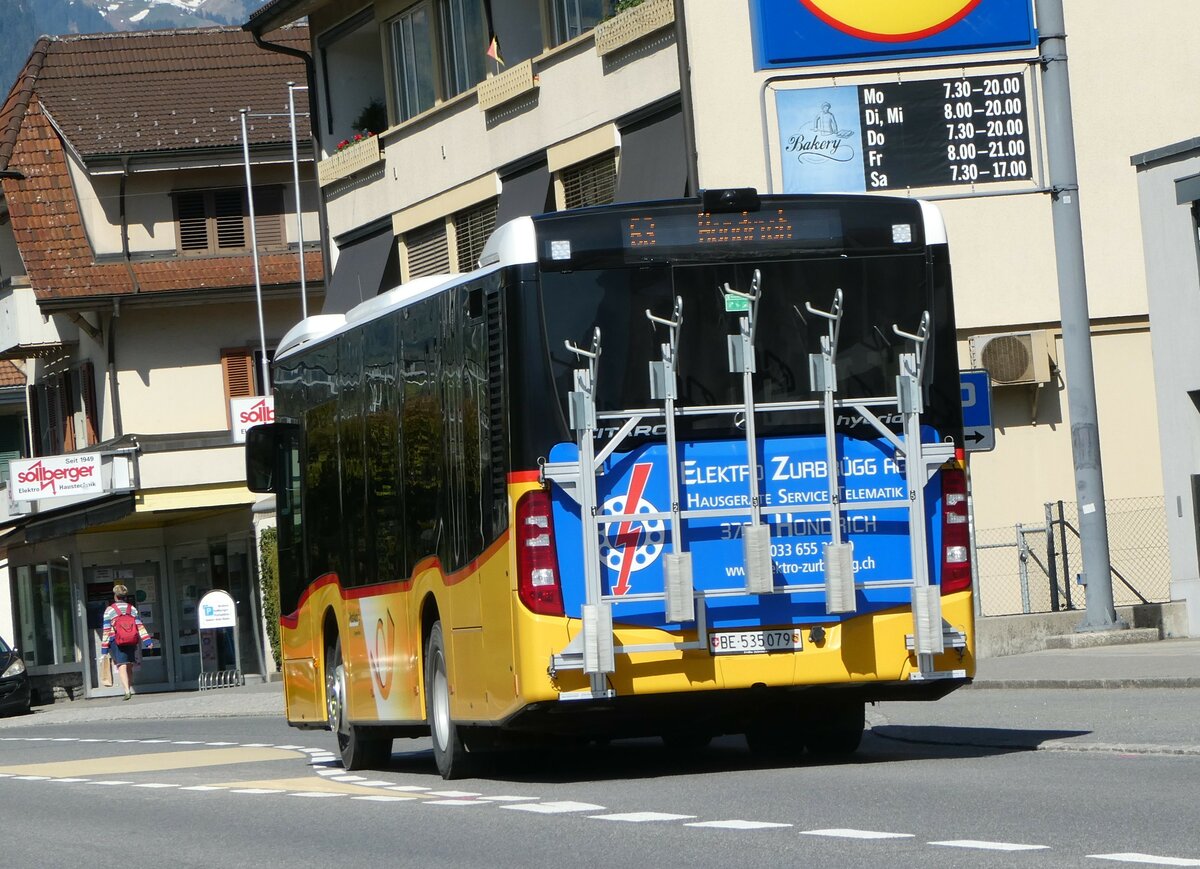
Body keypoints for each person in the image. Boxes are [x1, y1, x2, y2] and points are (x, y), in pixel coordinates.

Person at [100, 584, 154, 700]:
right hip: (131, 640)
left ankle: (127, 691)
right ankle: (129, 686)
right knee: (129, 664)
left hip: (116, 641)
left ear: (115, 596)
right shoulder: (132, 609)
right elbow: (139, 626)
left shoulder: (110, 610)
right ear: (125, 596)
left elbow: (106, 630)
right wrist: (147, 641)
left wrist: (104, 649)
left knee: (121, 664)